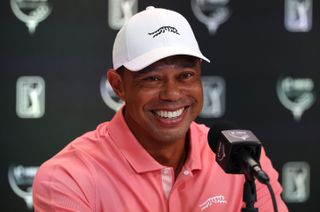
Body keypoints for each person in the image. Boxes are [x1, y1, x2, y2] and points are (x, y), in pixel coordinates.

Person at [32, 6, 288, 212]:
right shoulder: (67, 178)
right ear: (117, 85)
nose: (172, 94)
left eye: (186, 75)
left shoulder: (243, 158)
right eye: (152, 78)